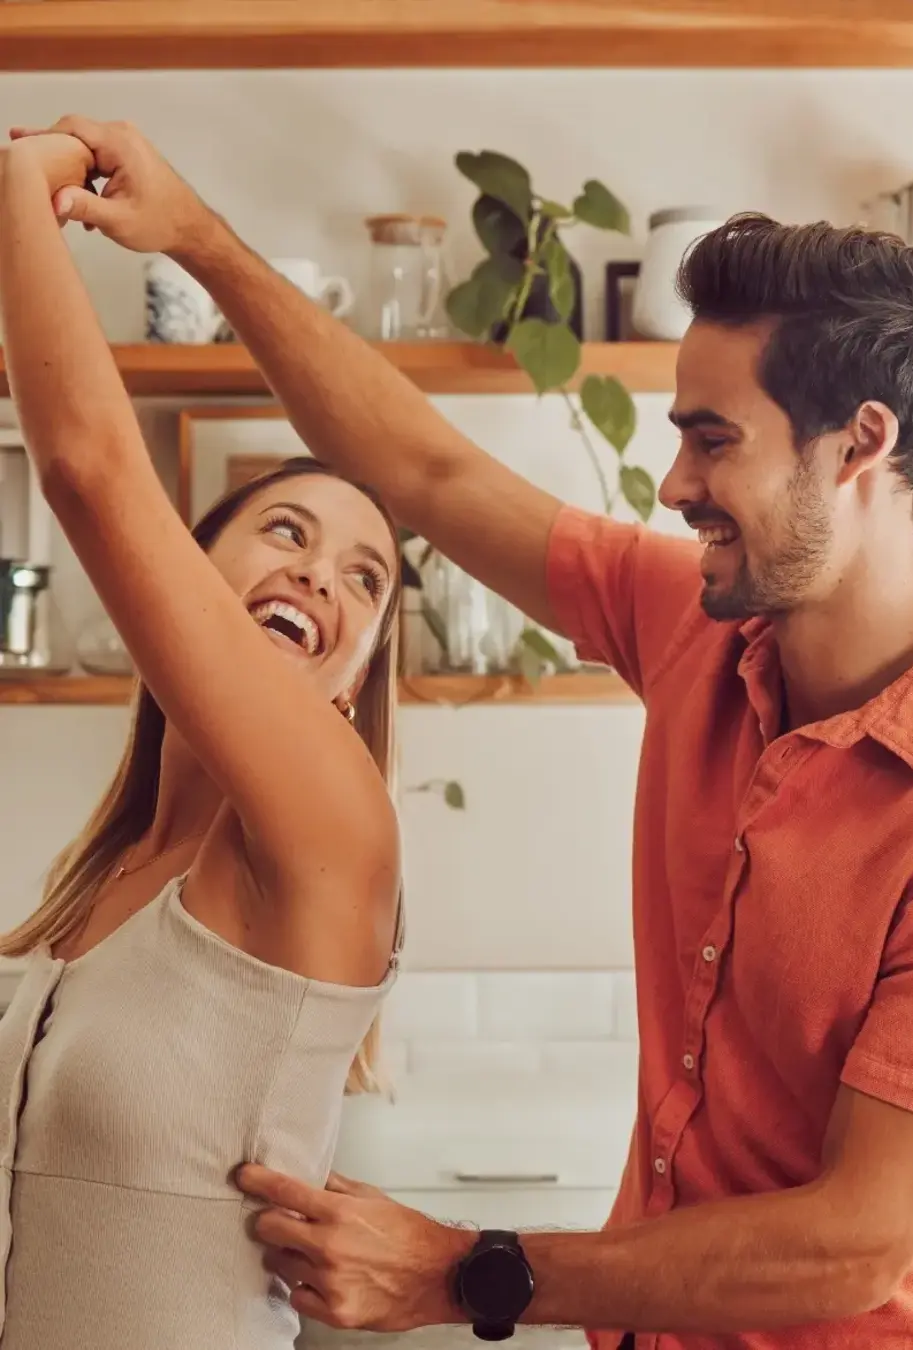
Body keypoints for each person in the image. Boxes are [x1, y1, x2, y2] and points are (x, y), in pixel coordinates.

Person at [14, 115, 913, 1350]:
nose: (674, 484)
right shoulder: (696, 623)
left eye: (711, 438)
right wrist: (199, 236)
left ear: (863, 445)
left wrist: (472, 1270)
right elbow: (431, 478)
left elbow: (852, 1240)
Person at [0, 130, 404, 1350]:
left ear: (355, 678)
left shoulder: (333, 832)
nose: (320, 579)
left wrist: (23, 180)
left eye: (366, 580)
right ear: (192, 575)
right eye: (284, 531)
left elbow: (83, 464)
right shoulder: (96, 887)